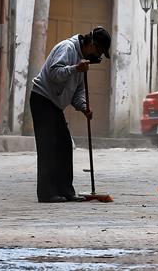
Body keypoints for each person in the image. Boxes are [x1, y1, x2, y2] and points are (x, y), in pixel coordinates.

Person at [30, 26, 111, 203]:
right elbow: (54, 74)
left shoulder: (82, 61)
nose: (98, 56)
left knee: (65, 146)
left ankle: (66, 190)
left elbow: (78, 90)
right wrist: (75, 68)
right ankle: (47, 193)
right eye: (99, 51)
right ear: (91, 43)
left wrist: (83, 107)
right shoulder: (67, 48)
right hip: (42, 99)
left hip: (55, 105)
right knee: (48, 147)